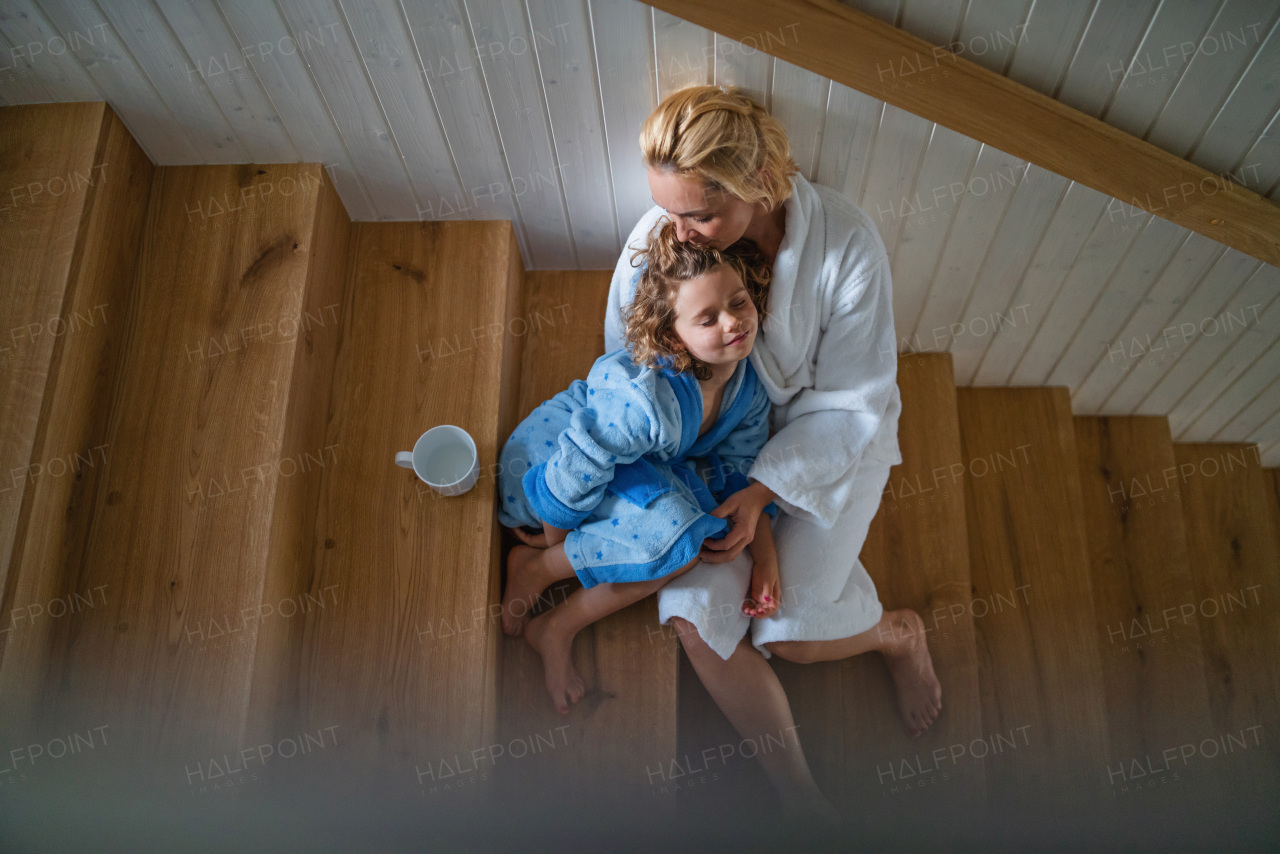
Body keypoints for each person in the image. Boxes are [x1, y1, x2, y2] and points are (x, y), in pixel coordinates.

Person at [600, 84, 943, 817]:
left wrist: (764, 496)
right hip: (714, 444)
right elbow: (633, 360)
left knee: (790, 634)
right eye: (669, 208)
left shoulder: (846, 247)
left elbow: (854, 402)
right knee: (694, 613)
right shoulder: (663, 240)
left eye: (700, 213)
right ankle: (802, 800)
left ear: (756, 184)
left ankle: (896, 635)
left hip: (826, 448)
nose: (680, 231)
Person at [497, 219, 783, 714]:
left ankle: (556, 626)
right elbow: (573, 470)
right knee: (671, 533)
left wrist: (765, 558)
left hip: (627, 468)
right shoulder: (642, 401)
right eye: (707, 318)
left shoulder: (747, 392)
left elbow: (740, 476)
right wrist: (554, 551)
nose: (733, 323)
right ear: (673, 338)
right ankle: (534, 569)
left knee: (690, 543)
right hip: (549, 465)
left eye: (738, 302)